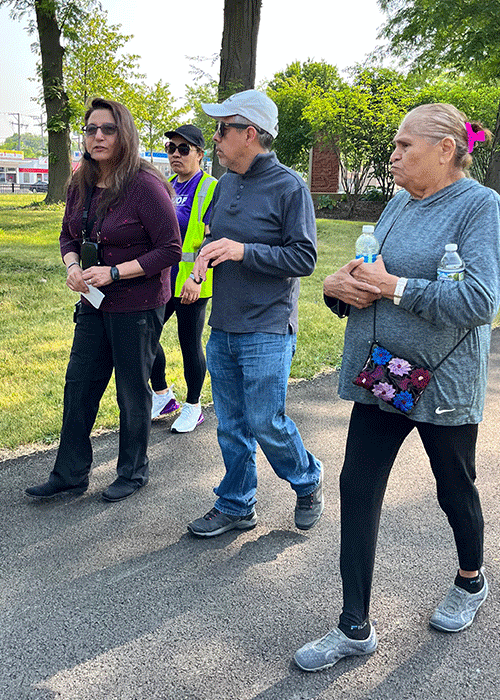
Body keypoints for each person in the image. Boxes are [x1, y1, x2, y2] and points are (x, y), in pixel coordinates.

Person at [294, 103, 500, 672]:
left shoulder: (480, 206)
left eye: (405, 146)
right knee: (357, 488)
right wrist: (339, 287)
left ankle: (471, 579)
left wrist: (395, 288)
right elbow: (370, 271)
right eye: (394, 145)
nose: (393, 156)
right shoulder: (398, 201)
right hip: (383, 376)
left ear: (447, 148)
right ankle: (353, 626)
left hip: (442, 382)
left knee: (453, 488)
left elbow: (481, 302)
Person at [25, 98, 182, 503]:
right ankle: (70, 473)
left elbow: (170, 250)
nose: (97, 136)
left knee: (132, 391)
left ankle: (132, 473)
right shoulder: (80, 183)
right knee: (79, 385)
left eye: (107, 129)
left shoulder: (145, 186)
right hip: (93, 304)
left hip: (138, 306)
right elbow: (67, 236)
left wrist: (114, 272)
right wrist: (72, 265)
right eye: (91, 129)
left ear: (123, 134)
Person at [187, 89, 323, 537]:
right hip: (223, 321)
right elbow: (216, 236)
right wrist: (202, 261)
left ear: (250, 133)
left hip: (267, 325)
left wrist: (244, 251)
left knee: (266, 421)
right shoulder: (224, 182)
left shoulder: (290, 187)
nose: (216, 138)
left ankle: (307, 479)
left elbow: (303, 258)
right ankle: (236, 503)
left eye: (222, 129)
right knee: (231, 425)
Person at [150, 125, 217, 433]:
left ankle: (193, 406)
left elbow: (213, 237)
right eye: (171, 148)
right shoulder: (166, 186)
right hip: (162, 279)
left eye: (184, 149)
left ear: (200, 155)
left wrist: (196, 277)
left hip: (193, 282)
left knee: (189, 343)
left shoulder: (211, 188)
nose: (175, 154)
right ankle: (163, 395)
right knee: (144, 337)